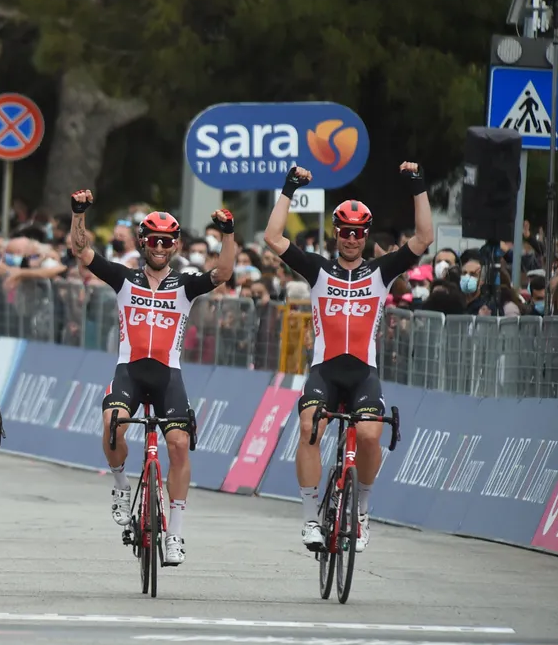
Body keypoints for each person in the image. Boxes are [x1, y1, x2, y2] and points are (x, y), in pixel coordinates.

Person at [263, 162, 433, 553]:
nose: (352, 239)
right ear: (336, 234)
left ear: (365, 235)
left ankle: (362, 509)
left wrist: (417, 185)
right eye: (345, 232)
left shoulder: (381, 271)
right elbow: (273, 237)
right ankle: (310, 519)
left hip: (363, 373)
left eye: (358, 233)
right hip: (325, 369)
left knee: (372, 435)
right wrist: (288, 188)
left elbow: (425, 236)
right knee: (310, 427)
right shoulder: (318, 269)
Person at [68, 190, 236, 566]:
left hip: (167, 375)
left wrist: (228, 233)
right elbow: (82, 251)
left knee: (178, 444)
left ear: (175, 245)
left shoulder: (186, 285)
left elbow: (223, 272)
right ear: (143, 243)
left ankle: (175, 532)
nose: (160, 247)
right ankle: (121, 487)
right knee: (112, 424)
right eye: (154, 240)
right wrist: (79, 214)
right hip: (129, 371)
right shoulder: (124, 278)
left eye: (167, 241)